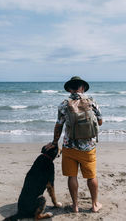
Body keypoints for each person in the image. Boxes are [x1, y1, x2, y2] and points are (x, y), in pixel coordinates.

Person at [46, 76, 103, 213]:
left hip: (69, 146)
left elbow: (59, 125)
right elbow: (100, 122)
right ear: (82, 87)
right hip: (88, 147)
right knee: (91, 176)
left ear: (70, 89)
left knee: (72, 176)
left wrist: (54, 142)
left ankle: (75, 206)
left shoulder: (64, 104)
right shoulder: (92, 102)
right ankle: (95, 205)